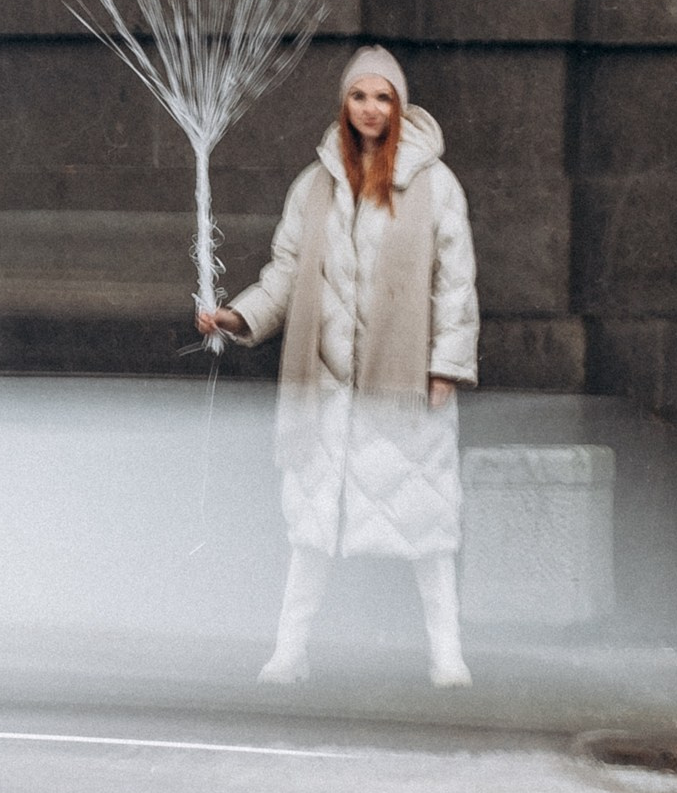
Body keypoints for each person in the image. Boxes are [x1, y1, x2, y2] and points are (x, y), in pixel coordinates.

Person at [197, 45, 480, 687]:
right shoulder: (315, 185)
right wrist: (238, 317)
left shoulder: (436, 185)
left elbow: (455, 285)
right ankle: (289, 651)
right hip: (324, 384)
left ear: (399, 105)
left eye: (383, 97)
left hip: (404, 382)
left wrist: (445, 369)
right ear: (344, 104)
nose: (372, 109)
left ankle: (447, 654)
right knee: (311, 528)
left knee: (427, 527)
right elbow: (287, 272)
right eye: (360, 96)